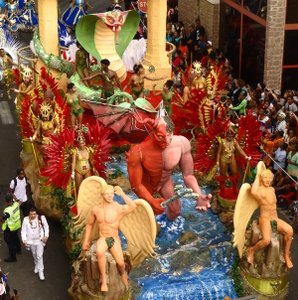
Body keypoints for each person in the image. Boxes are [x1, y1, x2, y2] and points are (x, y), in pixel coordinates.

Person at [127, 116, 211, 220]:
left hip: (164, 182)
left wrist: (199, 195)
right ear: (153, 133)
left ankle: (166, 226)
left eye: (169, 137)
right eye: (161, 137)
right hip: (145, 185)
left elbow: (188, 175)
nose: (166, 141)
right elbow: (136, 185)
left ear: (172, 133)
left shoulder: (182, 144)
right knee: (147, 216)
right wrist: (152, 201)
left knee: (176, 211)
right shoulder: (137, 152)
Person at [82, 185, 136, 292]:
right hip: (103, 237)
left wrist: (122, 194)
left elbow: (133, 206)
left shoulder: (118, 208)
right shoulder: (96, 209)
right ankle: (104, 279)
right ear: (102, 195)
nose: (110, 196)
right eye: (107, 194)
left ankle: (122, 272)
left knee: (120, 263)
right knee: (99, 251)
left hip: (112, 238)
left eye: (111, 193)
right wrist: (86, 241)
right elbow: (89, 225)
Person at [247, 168, 293, 269]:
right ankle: (251, 250)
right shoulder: (259, 191)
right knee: (266, 240)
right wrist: (258, 175)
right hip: (265, 219)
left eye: (269, 178)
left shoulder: (271, 189)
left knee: (289, 230)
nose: (268, 180)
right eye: (265, 178)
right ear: (261, 179)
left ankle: (286, 255)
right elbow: (253, 191)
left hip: (274, 219)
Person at [21, 207, 49, 281]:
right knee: (34, 254)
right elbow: (23, 231)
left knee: (39, 255)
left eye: (34, 214)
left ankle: (41, 271)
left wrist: (46, 236)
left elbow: (46, 227)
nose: (33, 216)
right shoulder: (25, 220)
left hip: (39, 240)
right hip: (31, 241)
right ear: (28, 214)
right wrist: (24, 240)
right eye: (31, 214)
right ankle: (36, 264)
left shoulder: (41, 218)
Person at [1, 193, 21, 262]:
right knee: (15, 237)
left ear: (6, 201)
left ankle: (13, 257)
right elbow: (18, 202)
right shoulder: (16, 204)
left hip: (9, 228)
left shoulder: (7, 210)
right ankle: (18, 250)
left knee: (9, 241)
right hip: (16, 225)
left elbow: (3, 219)